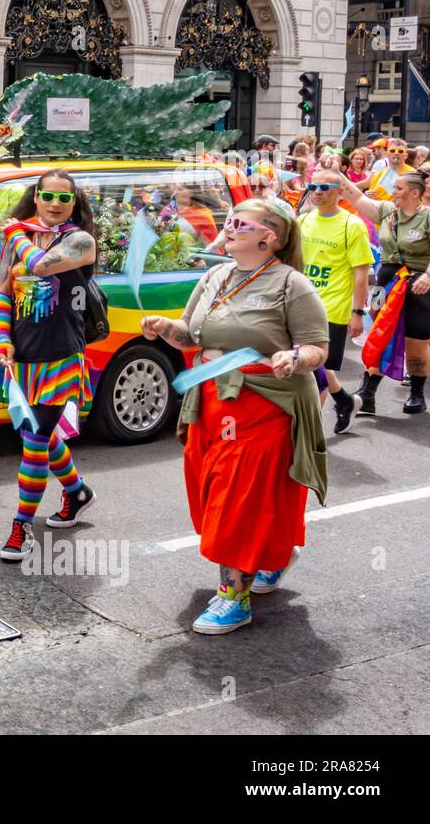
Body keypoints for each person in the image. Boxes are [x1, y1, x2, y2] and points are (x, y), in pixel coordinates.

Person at [142, 198, 327, 634]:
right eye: (229, 220)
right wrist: (165, 327)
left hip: (264, 404)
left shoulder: (292, 284)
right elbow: (191, 336)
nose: (229, 227)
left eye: (240, 223)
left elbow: (319, 347)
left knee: (237, 497)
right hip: (210, 397)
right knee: (207, 486)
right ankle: (271, 553)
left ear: (270, 237)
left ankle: (233, 597)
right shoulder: (215, 275)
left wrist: (294, 356)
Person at [0, 170, 99, 563]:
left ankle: (21, 527)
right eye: (48, 196)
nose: (55, 204)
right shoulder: (17, 240)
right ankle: (77, 491)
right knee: (39, 433)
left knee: (35, 441)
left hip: (60, 358)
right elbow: (3, 293)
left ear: (74, 204)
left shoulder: (79, 241)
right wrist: (3, 339)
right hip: (22, 359)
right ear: (35, 197)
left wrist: (15, 234)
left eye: (64, 198)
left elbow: (39, 266)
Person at [343, 170, 430, 415]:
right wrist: (338, 178)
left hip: (418, 285)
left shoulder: (427, 217)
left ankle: (416, 394)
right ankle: (367, 393)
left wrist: (428, 276)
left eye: (399, 188)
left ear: (415, 193)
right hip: (386, 282)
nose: (393, 192)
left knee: (416, 339)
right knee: (381, 332)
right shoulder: (387, 211)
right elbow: (358, 198)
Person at [296, 169, 372, 433]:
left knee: (316, 372)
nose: (317, 191)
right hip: (301, 305)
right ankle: (345, 401)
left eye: (324, 187)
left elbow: (360, 272)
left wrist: (358, 312)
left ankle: (309, 432)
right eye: (313, 186)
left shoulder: (352, 225)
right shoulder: (304, 221)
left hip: (332, 309)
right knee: (315, 366)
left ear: (340, 192)